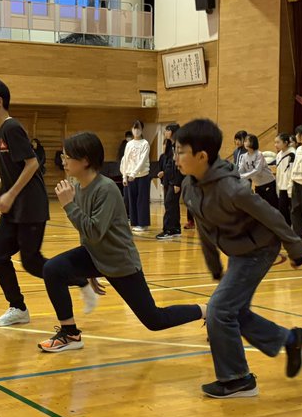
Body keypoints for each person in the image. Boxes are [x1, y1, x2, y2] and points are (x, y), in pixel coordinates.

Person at [177, 118, 302, 399]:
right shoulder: (190, 187)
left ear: (201, 156)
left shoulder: (232, 189)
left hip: (260, 249)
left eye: (180, 151)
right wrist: (215, 268)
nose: (175, 157)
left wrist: (296, 249)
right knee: (233, 310)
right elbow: (204, 229)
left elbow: (273, 216)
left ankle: (238, 379)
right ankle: (291, 340)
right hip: (237, 251)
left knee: (219, 310)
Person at [37, 132, 204, 353]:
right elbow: (88, 235)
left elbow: (94, 231)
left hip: (119, 262)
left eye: (68, 156)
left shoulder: (106, 189)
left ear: (85, 160)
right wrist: (91, 268)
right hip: (97, 255)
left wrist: (69, 206)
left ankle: (206, 310)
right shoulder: (77, 186)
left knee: (154, 320)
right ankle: (70, 334)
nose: (63, 161)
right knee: (53, 269)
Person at [0, 77, 94, 327]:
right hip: (14, 207)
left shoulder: (11, 127)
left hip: (30, 205)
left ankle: (81, 280)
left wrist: (10, 194)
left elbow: (32, 163)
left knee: (31, 262)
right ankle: (17, 307)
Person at [120, 119, 152, 232]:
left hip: (142, 175)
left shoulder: (145, 143)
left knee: (141, 200)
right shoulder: (129, 144)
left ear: (142, 130)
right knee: (131, 200)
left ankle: (143, 224)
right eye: (134, 128)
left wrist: (134, 173)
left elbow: (142, 160)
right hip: (129, 176)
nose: (136, 131)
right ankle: (135, 222)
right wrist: (124, 176)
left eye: (138, 128)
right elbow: (125, 160)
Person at [155, 122, 183, 240]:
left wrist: (177, 182)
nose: (165, 132)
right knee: (173, 205)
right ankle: (176, 228)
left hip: (175, 181)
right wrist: (164, 174)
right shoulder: (170, 145)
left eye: (168, 130)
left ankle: (168, 230)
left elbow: (179, 165)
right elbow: (169, 164)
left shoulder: (178, 145)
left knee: (169, 204)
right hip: (169, 179)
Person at [238, 134, 276, 204]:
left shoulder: (259, 154)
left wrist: (242, 176)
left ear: (253, 142)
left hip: (268, 183)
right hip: (258, 185)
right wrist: (236, 175)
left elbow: (257, 170)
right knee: (260, 205)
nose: (245, 143)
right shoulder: (244, 156)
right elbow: (241, 170)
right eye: (245, 141)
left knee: (271, 205)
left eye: (247, 141)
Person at [273, 134, 296, 218]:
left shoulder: (292, 153)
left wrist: (290, 186)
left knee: (292, 211)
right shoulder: (279, 155)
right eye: (275, 142)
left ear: (286, 142)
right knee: (282, 210)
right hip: (281, 186)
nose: (276, 145)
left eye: (278, 142)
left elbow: (292, 172)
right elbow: (279, 172)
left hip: (290, 187)